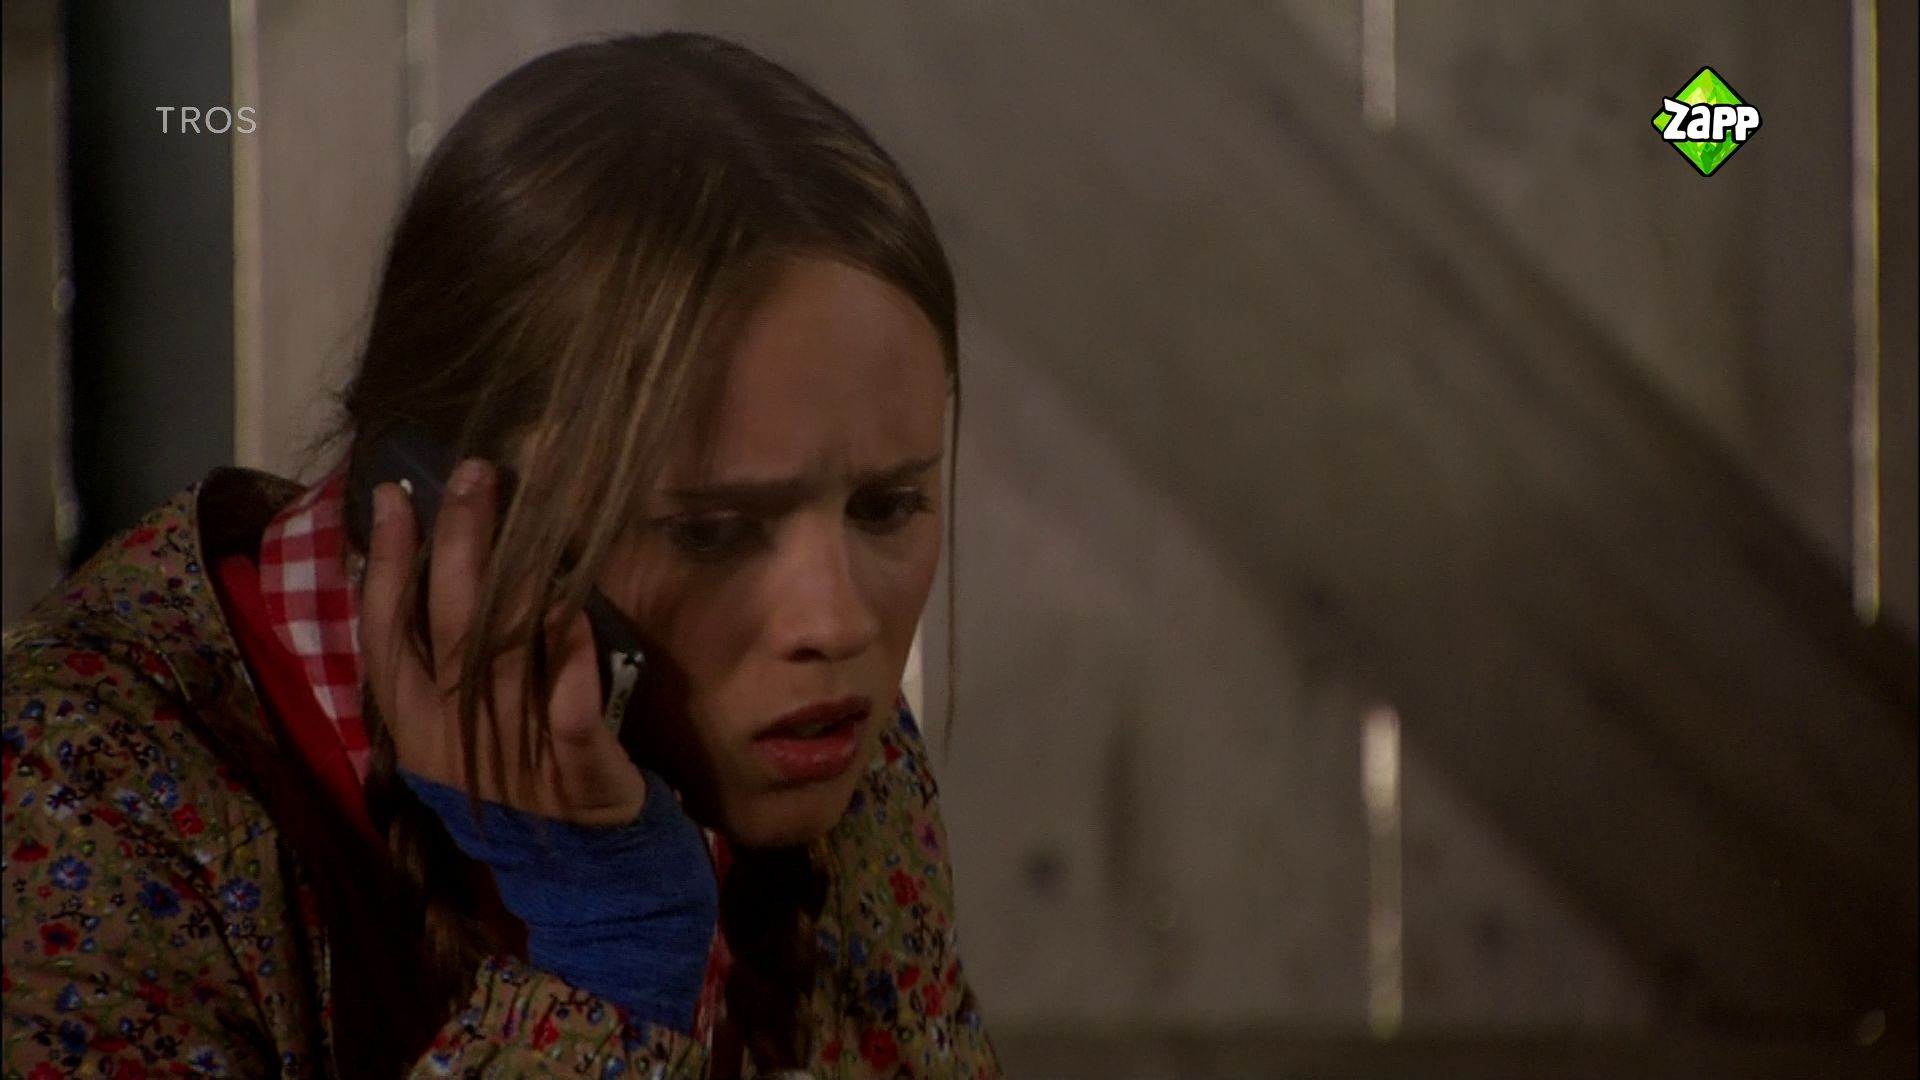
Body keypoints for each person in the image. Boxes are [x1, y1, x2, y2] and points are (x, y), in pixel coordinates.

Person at [3, 31, 1000, 1079]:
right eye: (711, 530)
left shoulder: (813, 740)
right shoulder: (72, 793)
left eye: (887, 506)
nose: (837, 622)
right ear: (443, 511)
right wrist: (609, 953)